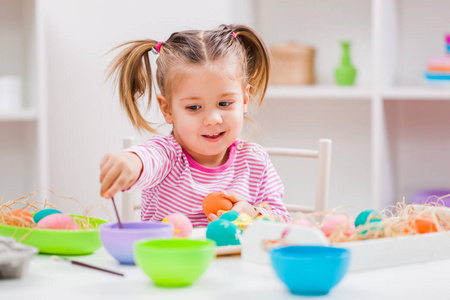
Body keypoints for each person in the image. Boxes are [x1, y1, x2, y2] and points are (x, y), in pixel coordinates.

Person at [99, 24, 291, 227]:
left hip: (235, 259)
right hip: (171, 258)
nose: (213, 119)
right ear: (168, 109)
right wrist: (130, 162)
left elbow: (281, 219)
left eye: (224, 103)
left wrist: (252, 213)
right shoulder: (169, 156)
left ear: (244, 100)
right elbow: (147, 158)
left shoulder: (254, 161)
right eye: (194, 107)